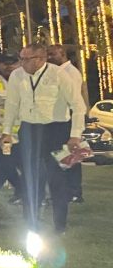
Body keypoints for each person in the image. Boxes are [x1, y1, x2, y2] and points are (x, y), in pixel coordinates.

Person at [1, 43, 86, 236]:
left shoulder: (58, 74)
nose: (20, 62)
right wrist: (7, 131)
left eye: (25, 59)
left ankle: (59, 226)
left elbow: (78, 106)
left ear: (40, 59)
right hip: (29, 130)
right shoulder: (17, 75)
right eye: (20, 57)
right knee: (30, 177)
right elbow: (12, 104)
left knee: (57, 179)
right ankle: (31, 223)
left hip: (56, 130)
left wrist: (75, 135)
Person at [47, 44, 85, 203]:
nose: (49, 57)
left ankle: (74, 191)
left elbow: (74, 99)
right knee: (63, 156)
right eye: (48, 54)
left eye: (53, 54)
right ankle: (68, 190)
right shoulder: (57, 72)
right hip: (62, 119)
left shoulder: (70, 72)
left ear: (62, 54)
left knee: (71, 156)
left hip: (69, 118)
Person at [0, 54, 23, 205]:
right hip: (3, 133)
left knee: (5, 167)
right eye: (5, 63)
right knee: (4, 166)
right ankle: (24, 192)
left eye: (13, 62)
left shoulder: (26, 79)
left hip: (24, 132)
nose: (9, 66)